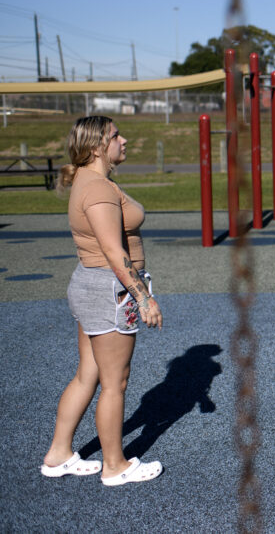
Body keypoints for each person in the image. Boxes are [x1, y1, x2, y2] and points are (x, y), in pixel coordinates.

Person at [40, 115, 164, 486]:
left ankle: (59, 454)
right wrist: (143, 298)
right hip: (109, 288)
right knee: (115, 381)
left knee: (89, 374)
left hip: (94, 285)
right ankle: (115, 466)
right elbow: (113, 251)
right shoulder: (98, 188)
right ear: (97, 146)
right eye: (115, 135)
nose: (123, 140)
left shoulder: (90, 180)